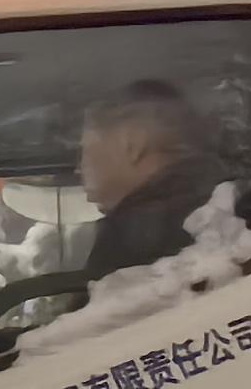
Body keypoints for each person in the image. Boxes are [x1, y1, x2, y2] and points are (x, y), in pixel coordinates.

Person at [73, 80, 228, 286]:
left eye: (85, 151)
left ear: (133, 142)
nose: (78, 168)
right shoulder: (216, 202)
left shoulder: (137, 233)